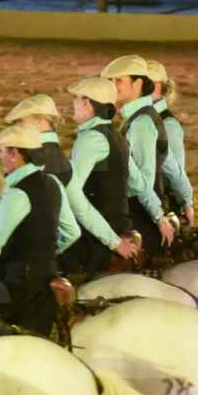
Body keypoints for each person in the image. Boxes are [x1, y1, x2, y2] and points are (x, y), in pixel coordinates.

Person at [0, 125, 79, 338]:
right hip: (46, 278)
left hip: (18, 285)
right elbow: (72, 232)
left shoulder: (17, 193)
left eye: (3, 150)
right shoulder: (52, 183)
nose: (0, 156)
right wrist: (44, 255)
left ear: (15, 154)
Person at [59, 76, 141, 278]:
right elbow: (138, 185)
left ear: (87, 103)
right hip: (119, 225)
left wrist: (113, 242)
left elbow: (73, 196)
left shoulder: (91, 139)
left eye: (77, 99)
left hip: (97, 240)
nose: (74, 104)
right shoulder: (117, 138)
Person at [100, 54, 175, 254]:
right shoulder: (139, 117)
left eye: (118, 81)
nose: (112, 86)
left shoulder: (140, 123)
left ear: (138, 83)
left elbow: (143, 180)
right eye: (109, 81)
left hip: (138, 214)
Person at [144, 59, 195, 224]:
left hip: (160, 207)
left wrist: (186, 203)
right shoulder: (145, 118)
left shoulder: (168, 125)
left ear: (157, 86)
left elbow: (175, 172)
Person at [4, 94, 69, 182]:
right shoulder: (52, 150)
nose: (16, 127)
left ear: (40, 121)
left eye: (20, 121)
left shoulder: (40, 152)